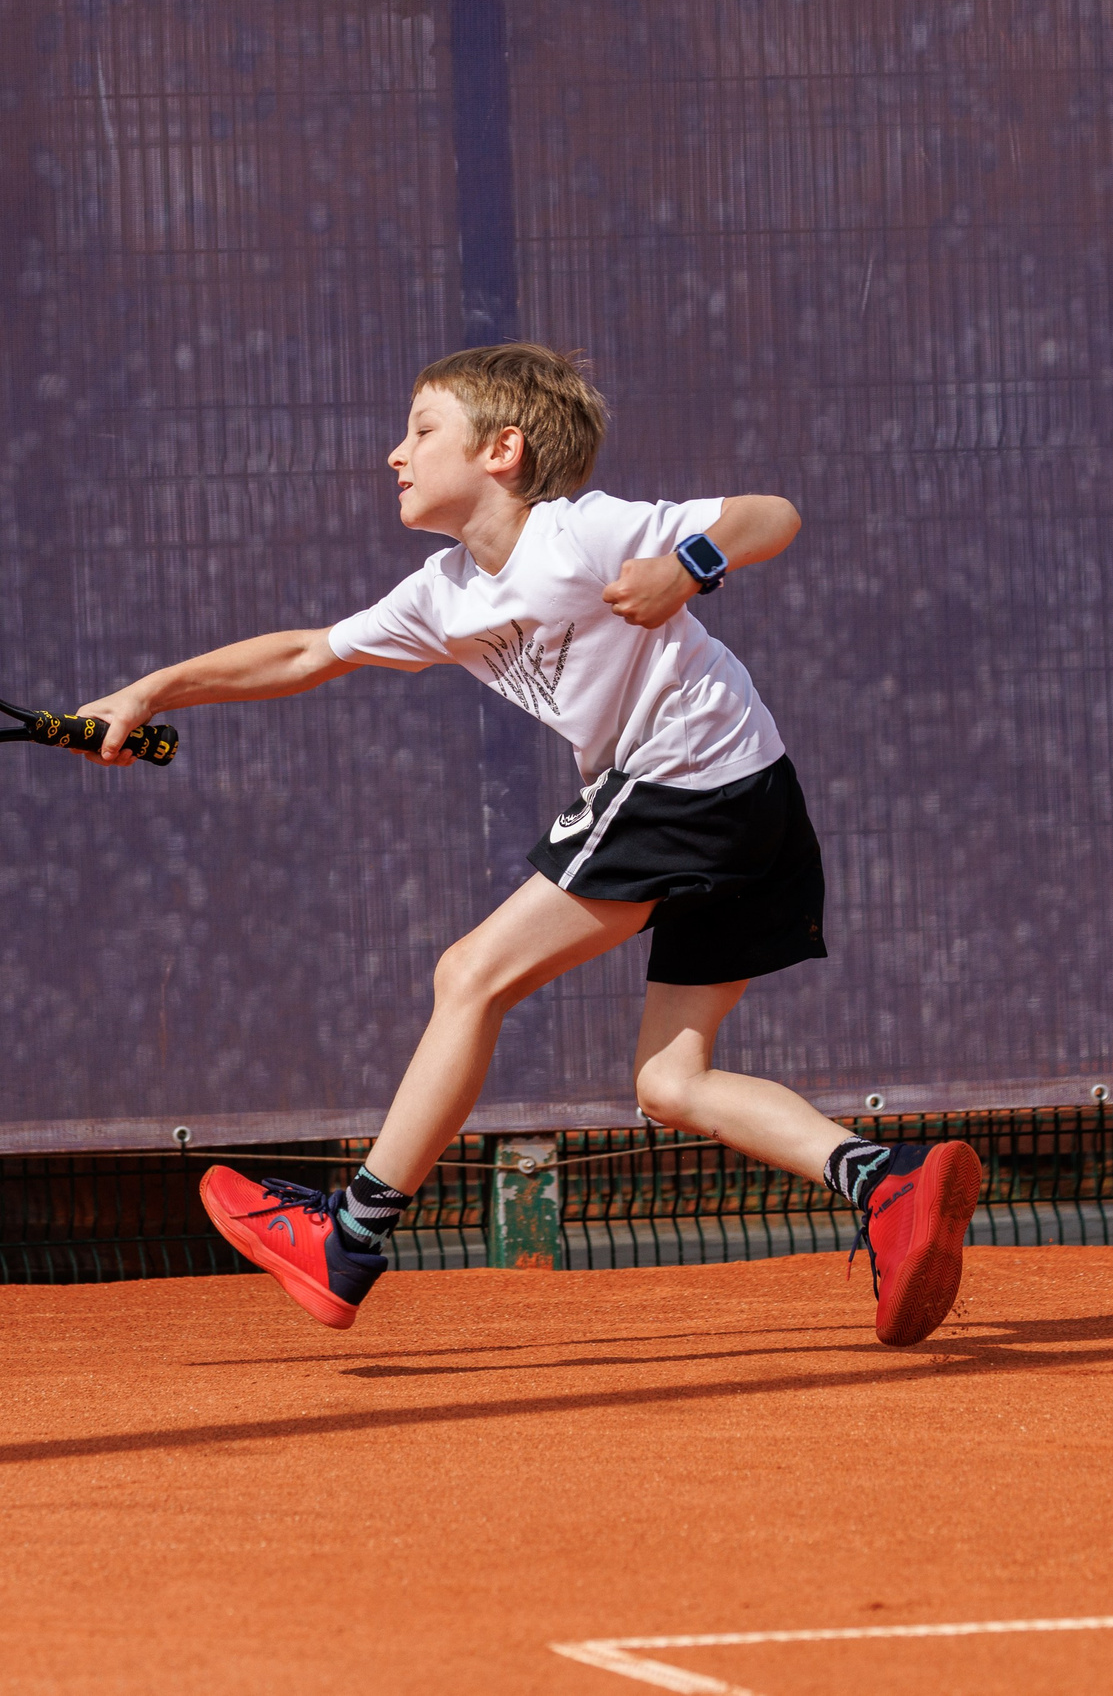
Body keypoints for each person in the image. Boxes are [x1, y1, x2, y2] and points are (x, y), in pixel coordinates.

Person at [76, 343, 978, 1346]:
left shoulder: (578, 534)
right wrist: (151, 689)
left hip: (679, 783)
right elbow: (302, 652)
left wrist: (689, 565)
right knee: (668, 1083)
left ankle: (352, 1236)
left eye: (421, 430)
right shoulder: (443, 593)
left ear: (501, 449)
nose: (394, 453)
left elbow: (770, 514)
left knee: (470, 975)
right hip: (751, 797)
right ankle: (885, 1182)